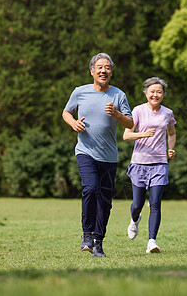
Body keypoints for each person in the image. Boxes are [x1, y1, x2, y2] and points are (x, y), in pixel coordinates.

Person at [62, 53, 133, 257]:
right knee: (90, 188)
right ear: (92, 71)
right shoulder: (80, 92)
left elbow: (130, 123)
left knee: (105, 200)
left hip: (109, 156)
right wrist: (73, 122)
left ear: (111, 72)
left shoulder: (118, 95)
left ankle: (98, 242)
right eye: (100, 67)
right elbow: (66, 112)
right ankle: (86, 235)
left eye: (108, 67)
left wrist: (117, 115)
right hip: (85, 151)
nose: (104, 71)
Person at [123, 77, 176, 253]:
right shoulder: (138, 110)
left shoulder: (167, 113)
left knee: (155, 203)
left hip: (160, 163)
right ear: (146, 93)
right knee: (137, 204)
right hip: (139, 162)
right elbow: (126, 135)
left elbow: (172, 132)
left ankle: (152, 241)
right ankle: (134, 219)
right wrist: (143, 134)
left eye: (159, 91)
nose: (155, 94)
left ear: (163, 95)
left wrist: (171, 149)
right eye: (152, 91)